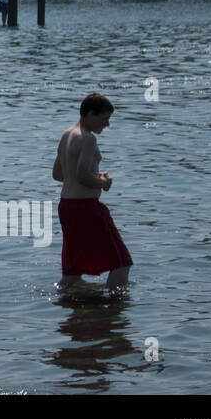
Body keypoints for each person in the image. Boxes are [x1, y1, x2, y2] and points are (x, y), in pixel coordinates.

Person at [53, 93, 132, 292]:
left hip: (67, 207)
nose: (107, 124)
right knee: (122, 262)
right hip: (86, 208)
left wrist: (93, 175)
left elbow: (59, 174)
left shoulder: (67, 134)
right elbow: (81, 177)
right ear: (89, 114)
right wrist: (103, 182)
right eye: (104, 118)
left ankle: (62, 300)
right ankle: (113, 308)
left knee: (73, 270)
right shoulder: (88, 139)